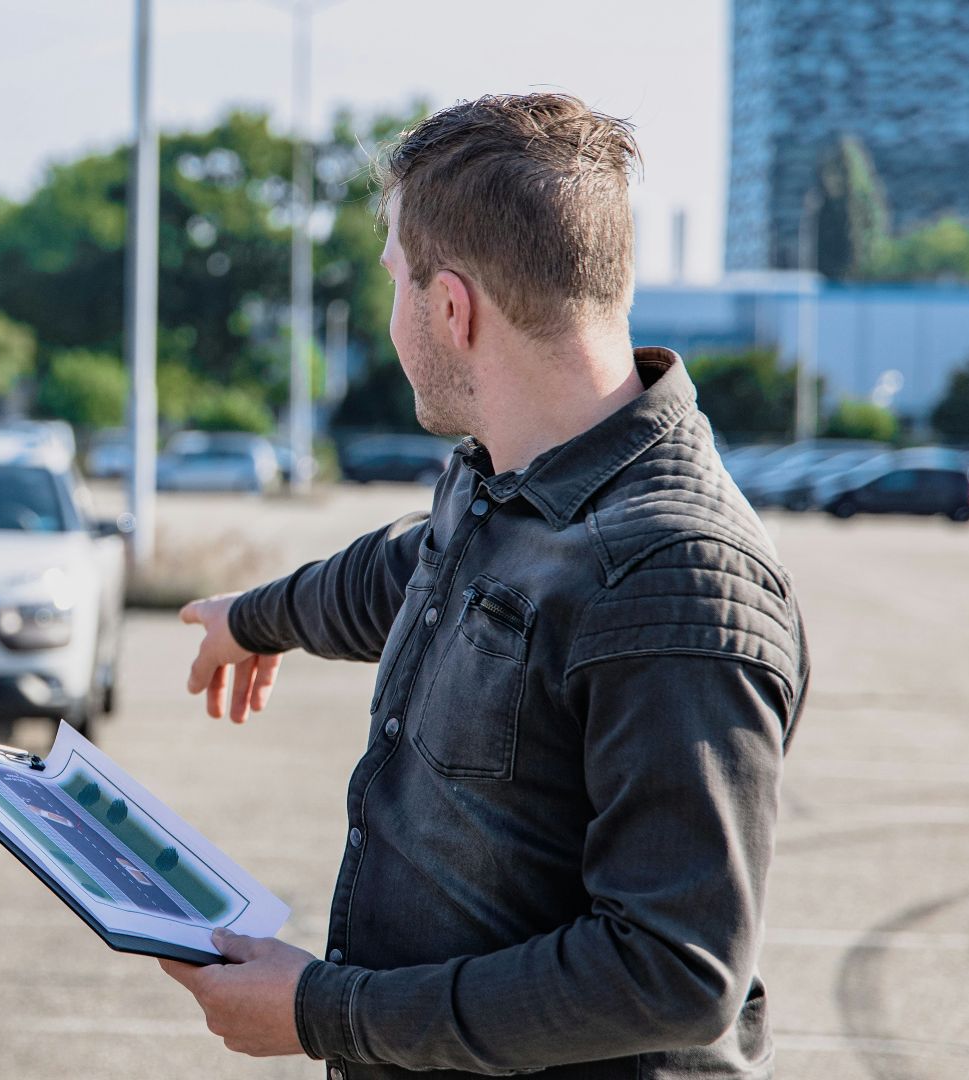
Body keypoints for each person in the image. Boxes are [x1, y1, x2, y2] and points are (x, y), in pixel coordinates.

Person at [163, 93, 808, 1078]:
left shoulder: (677, 583)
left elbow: (671, 973)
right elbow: (412, 568)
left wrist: (321, 1012)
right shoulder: (506, 478)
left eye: (395, 284)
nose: (391, 318)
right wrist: (256, 619)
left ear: (451, 307)